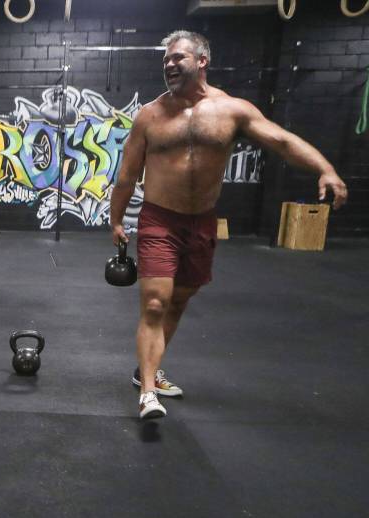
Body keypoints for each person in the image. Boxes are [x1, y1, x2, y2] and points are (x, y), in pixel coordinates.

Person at [109, 30, 347, 419]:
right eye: (166, 59)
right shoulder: (150, 116)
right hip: (158, 220)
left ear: (202, 61)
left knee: (181, 299)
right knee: (155, 302)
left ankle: (145, 370)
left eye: (178, 58)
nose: (169, 64)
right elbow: (127, 176)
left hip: (201, 223)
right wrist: (116, 220)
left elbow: (283, 142)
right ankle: (149, 392)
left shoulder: (232, 110)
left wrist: (326, 168)